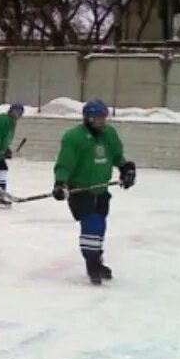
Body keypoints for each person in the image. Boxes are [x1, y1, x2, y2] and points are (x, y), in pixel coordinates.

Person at [52, 98, 136, 285]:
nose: (102, 121)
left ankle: (96, 259)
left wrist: (126, 169)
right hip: (80, 190)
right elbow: (65, 163)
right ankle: (92, 264)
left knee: (100, 228)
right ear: (88, 118)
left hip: (101, 189)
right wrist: (61, 183)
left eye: (103, 117)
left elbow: (117, 157)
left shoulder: (109, 134)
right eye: (98, 118)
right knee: (92, 225)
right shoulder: (74, 137)